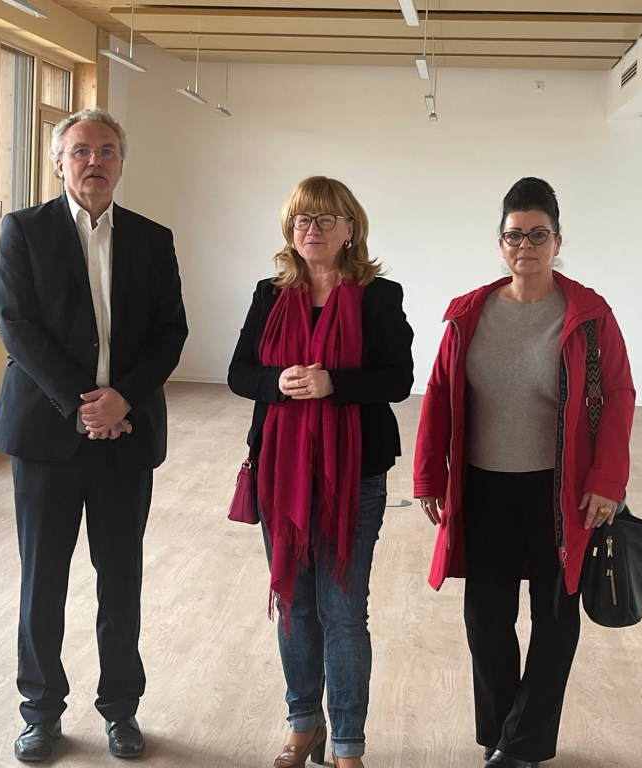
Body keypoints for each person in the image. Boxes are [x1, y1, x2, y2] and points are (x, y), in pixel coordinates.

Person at [413, 177, 635, 768]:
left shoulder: (589, 315)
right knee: (485, 617)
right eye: (515, 235)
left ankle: (523, 745)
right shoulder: (470, 313)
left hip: (559, 491)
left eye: (539, 234)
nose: (526, 245)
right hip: (484, 487)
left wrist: (607, 480)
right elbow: (439, 394)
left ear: (558, 242)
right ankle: (501, 735)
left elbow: (619, 394)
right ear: (500, 243)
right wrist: (429, 475)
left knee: (555, 617)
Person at [0, 108, 188, 763]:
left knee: (121, 580)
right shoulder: (24, 231)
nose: (94, 161)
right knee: (42, 583)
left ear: (122, 163)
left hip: (127, 435)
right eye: (80, 151)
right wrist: (83, 406)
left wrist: (122, 398)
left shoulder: (152, 239)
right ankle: (41, 713)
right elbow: (18, 328)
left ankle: (121, 710)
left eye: (106, 150)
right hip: (46, 438)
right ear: (59, 162)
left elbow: (171, 332)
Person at [228, 176, 414, 768]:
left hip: (353, 475)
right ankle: (303, 724)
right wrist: (275, 382)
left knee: (343, 611)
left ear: (350, 229)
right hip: (281, 472)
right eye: (303, 220)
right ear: (291, 230)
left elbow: (398, 379)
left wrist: (335, 383)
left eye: (326, 219)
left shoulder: (379, 297)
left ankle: (347, 745)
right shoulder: (269, 294)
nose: (313, 229)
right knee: (294, 603)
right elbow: (239, 372)